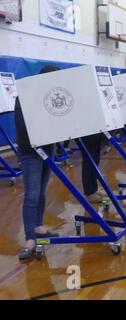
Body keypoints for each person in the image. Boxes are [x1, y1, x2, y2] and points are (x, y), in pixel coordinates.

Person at [15, 65, 60, 260]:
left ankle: (39, 227)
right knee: (32, 195)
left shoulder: (48, 96)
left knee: (41, 192)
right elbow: (23, 130)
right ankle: (30, 239)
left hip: (48, 149)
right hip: (31, 152)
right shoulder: (24, 96)